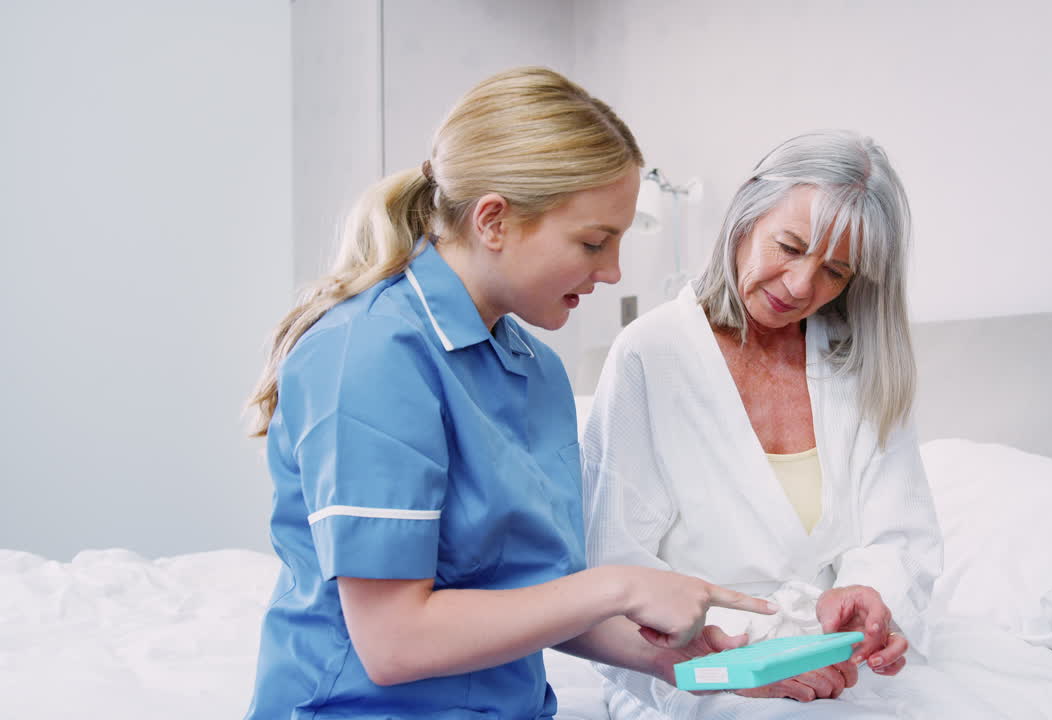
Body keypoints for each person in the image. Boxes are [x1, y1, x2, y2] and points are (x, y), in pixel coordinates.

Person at [241, 67, 775, 720]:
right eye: (593, 242)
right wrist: (619, 586)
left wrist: (680, 660)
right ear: (493, 220)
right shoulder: (373, 353)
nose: (611, 272)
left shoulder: (535, 371)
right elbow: (393, 642)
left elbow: (528, 597)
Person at [581, 129, 944, 717]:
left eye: (835, 271)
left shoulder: (859, 366)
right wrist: (755, 651)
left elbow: (898, 534)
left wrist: (870, 600)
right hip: (702, 661)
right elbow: (615, 562)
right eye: (791, 245)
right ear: (747, 212)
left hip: (835, 659)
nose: (802, 286)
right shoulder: (652, 353)